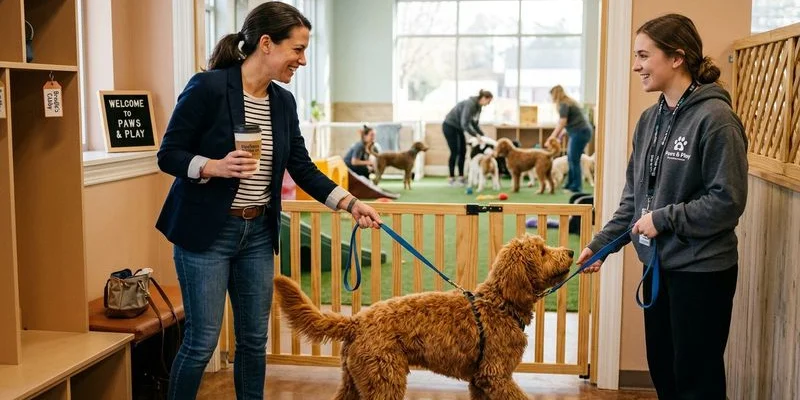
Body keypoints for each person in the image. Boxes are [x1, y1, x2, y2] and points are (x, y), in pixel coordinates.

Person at [155, 3, 382, 399]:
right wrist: (212, 165)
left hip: (258, 234)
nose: (303, 60)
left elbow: (302, 166)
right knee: (201, 341)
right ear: (266, 44)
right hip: (207, 233)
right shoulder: (208, 87)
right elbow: (169, 154)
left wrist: (349, 203)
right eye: (297, 49)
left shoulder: (283, 102)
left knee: (253, 342)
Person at [577, 13, 748, 399]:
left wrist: (663, 219)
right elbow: (635, 201)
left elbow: (728, 202)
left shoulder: (717, 119)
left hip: (703, 270)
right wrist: (604, 242)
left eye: (643, 55)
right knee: (665, 373)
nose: (636, 65)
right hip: (658, 267)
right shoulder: (649, 119)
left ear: (676, 57)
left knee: (696, 379)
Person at [547, 85, 593, 193]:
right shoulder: (568, 102)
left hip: (580, 132)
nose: (551, 98)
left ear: (555, 94)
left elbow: (562, 122)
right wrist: (560, 135)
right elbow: (570, 122)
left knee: (574, 159)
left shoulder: (564, 104)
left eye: (552, 96)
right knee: (571, 158)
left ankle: (576, 187)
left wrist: (552, 137)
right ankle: (569, 184)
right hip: (581, 131)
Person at [442, 89, 493, 186]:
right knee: (455, 151)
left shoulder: (478, 107)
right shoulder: (470, 104)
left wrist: (483, 136)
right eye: (488, 101)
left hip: (459, 128)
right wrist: (476, 135)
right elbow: (464, 123)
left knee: (463, 151)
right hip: (449, 126)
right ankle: (451, 178)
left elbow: (474, 124)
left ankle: (461, 177)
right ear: (483, 98)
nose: (488, 104)